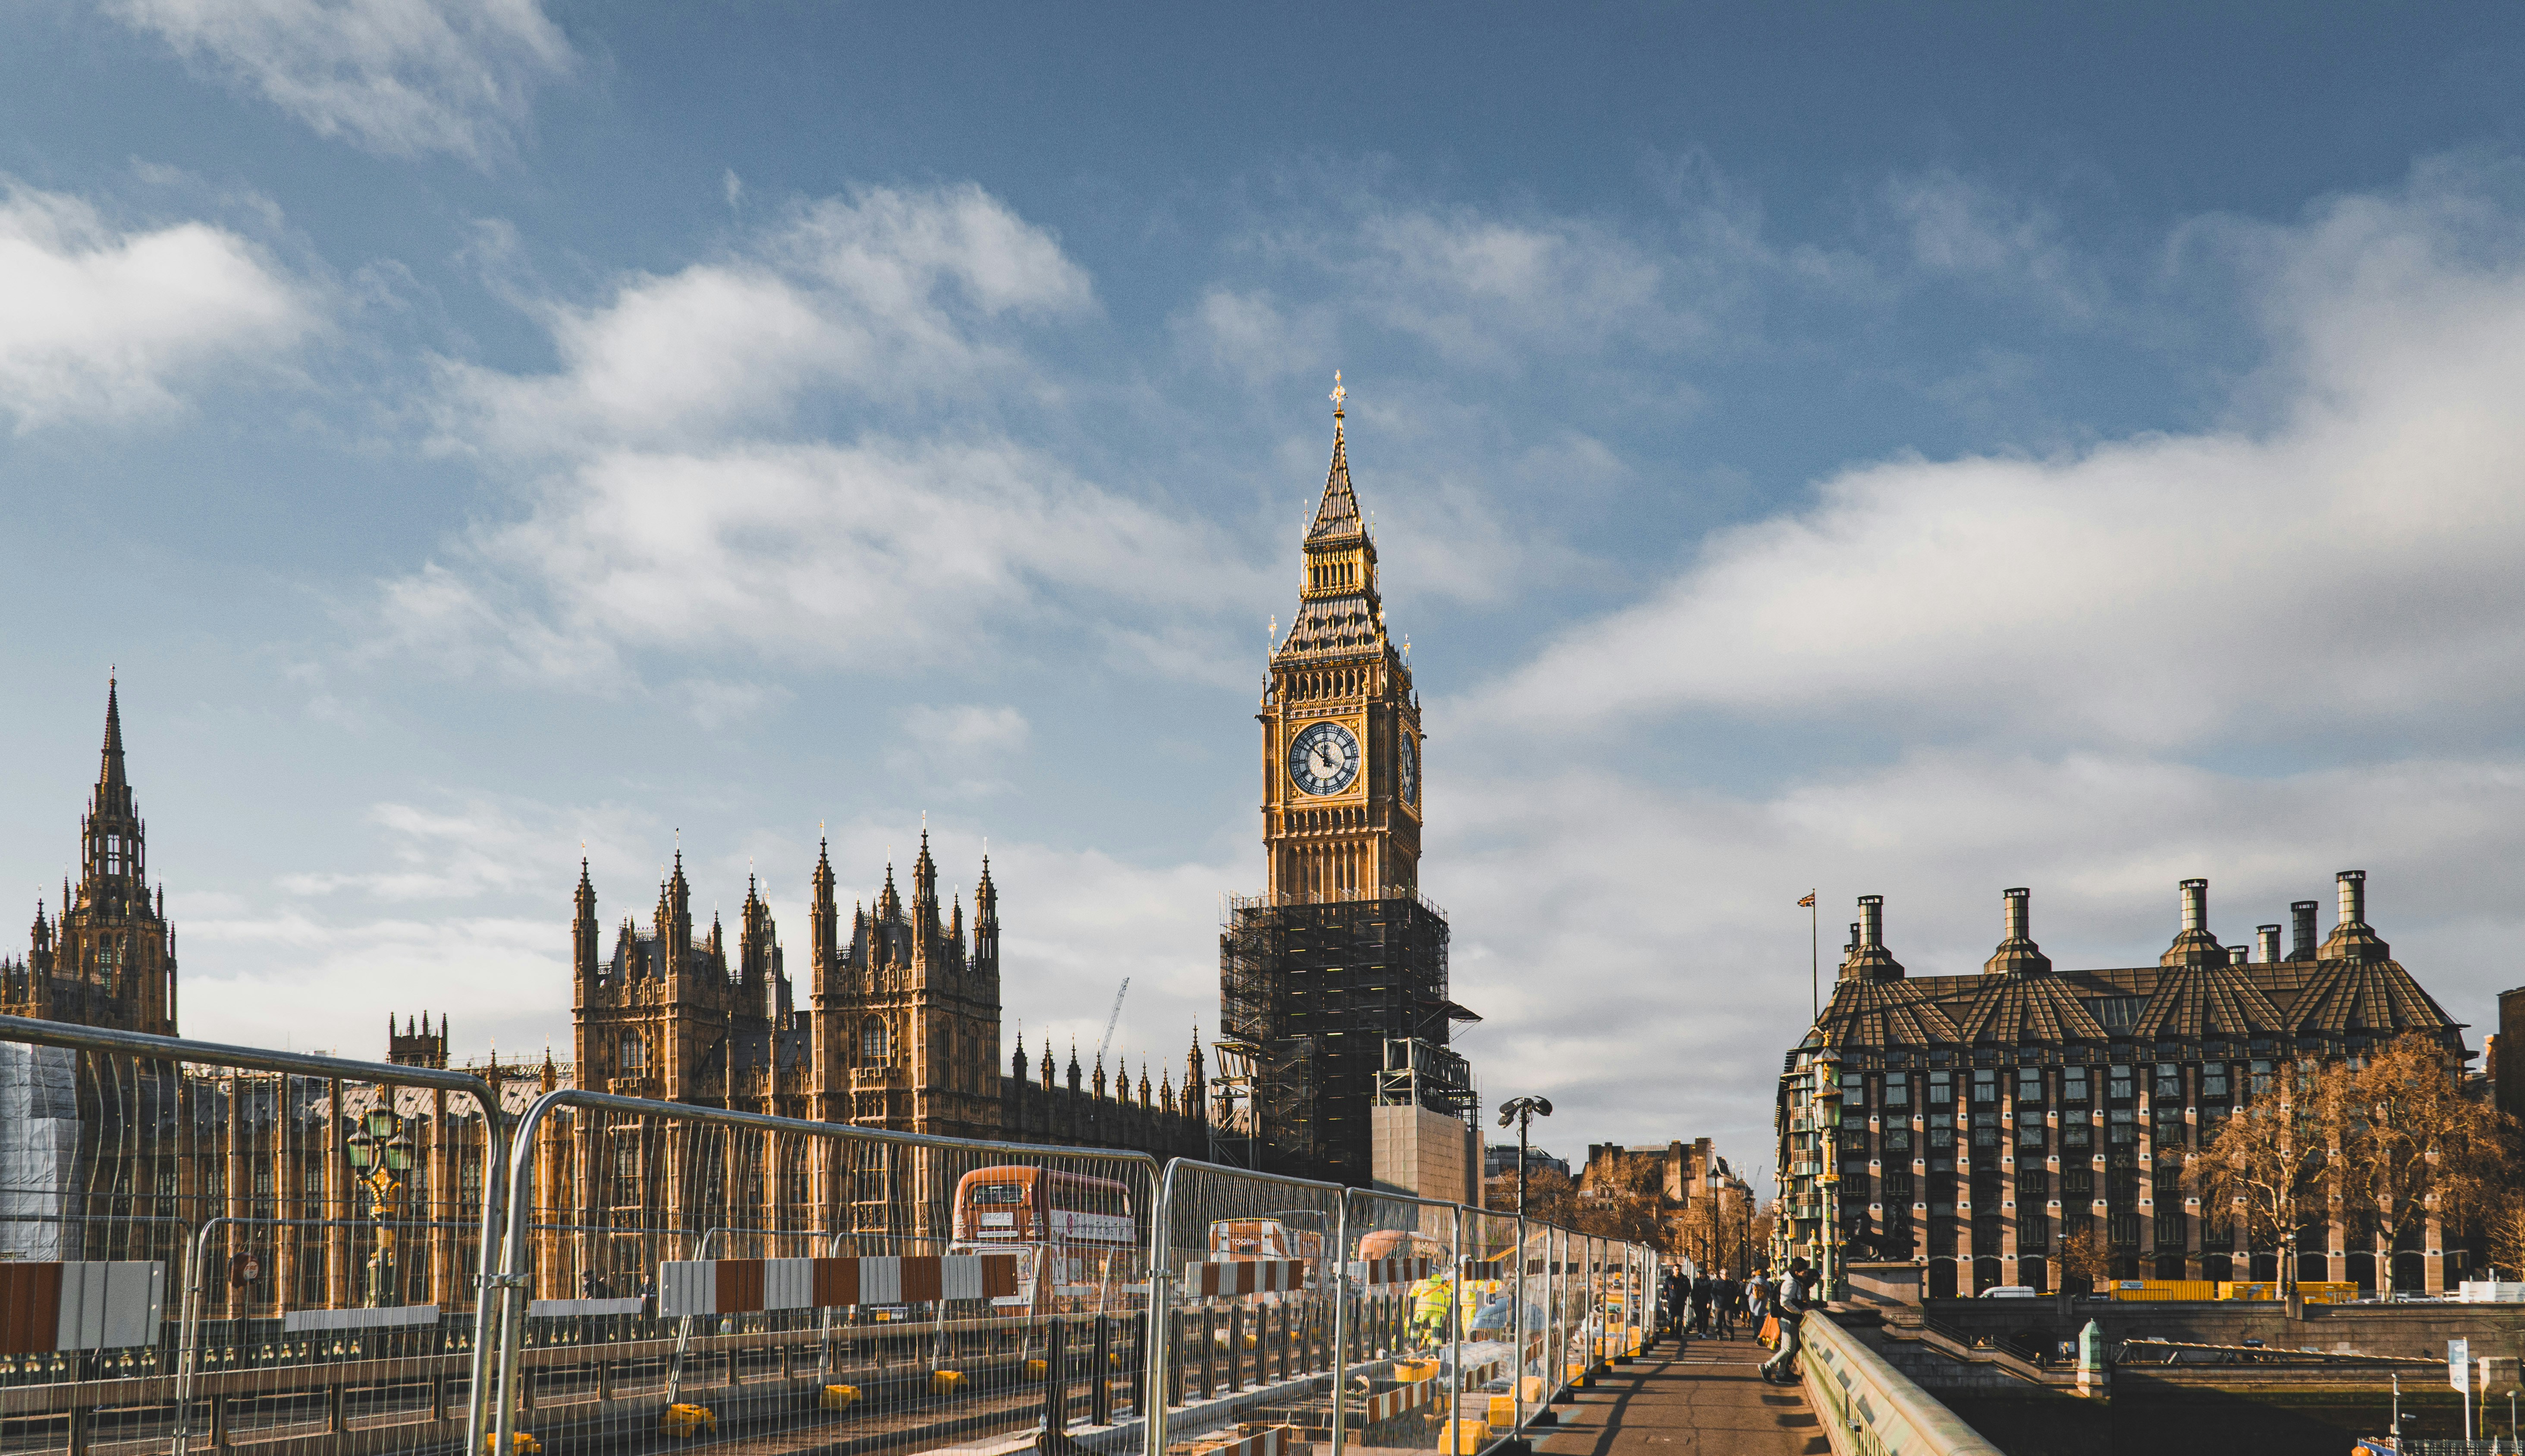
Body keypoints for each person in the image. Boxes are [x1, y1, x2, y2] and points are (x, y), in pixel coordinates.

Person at [1759, 1259, 1809, 1383]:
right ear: (1798, 1272)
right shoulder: (1791, 1283)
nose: (1806, 1275)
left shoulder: (1792, 1281)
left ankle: (1781, 1374)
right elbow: (1785, 1302)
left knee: (1787, 1348)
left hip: (1788, 1318)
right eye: (1805, 1272)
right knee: (1788, 1349)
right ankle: (1767, 1367)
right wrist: (1799, 1311)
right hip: (1788, 1318)